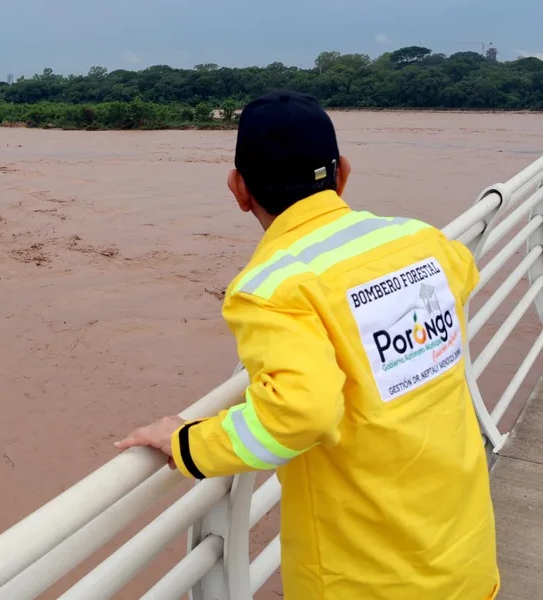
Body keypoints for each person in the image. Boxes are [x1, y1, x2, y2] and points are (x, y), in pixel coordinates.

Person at [114, 90, 499, 599]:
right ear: (342, 172)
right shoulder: (422, 240)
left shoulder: (271, 288)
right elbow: (463, 273)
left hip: (365, 580)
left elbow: (303, 412)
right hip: (467, 559)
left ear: (239, 189)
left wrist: (189, 442)